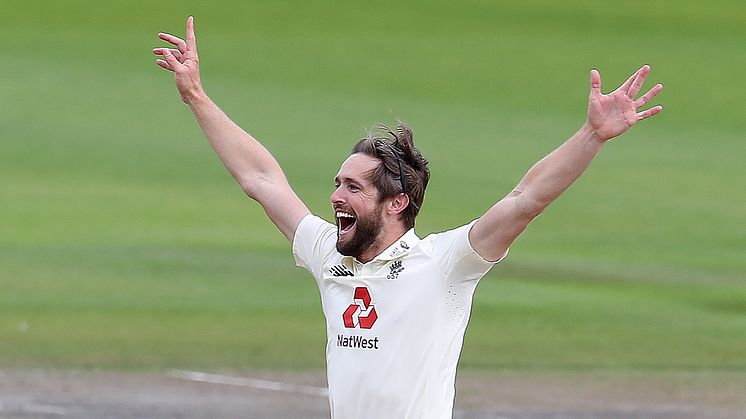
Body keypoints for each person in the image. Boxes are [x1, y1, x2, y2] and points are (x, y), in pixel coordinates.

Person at [153, 16, 663, 419]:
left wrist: (591, 136)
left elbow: (524, 198)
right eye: (336, 183)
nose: (334, 197)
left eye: (352, 187)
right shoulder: (328, 254)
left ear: (395, 202)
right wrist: (196, 96)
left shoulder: (445, 264)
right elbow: (262, 180)